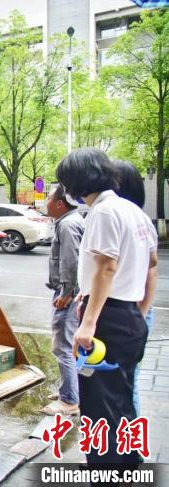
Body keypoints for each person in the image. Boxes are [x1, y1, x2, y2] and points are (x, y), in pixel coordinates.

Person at [56, 148, 157, 473]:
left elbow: (106, 269)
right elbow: (151, 265)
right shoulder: (133, 211)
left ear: (76, 181)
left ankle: (106, 476)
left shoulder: (102, 213)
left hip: (106, 320)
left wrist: (87, 325)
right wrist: (138, 312)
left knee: (99, 406)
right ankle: (128, 468)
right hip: (128, 317)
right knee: (121, 400)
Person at [114, 160, 158, 417]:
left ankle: (131, 448)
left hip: (129, 313)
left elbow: (151, 271)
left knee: (124, 383)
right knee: (126, 381)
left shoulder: (128, 220)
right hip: (133, 312)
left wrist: (140, 314)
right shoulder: (139, 219)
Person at [41, 184, 84, 416]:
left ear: (59, 204)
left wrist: (66, 293)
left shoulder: (68, 224)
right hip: (71, 291)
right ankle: (69, 390)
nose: (45, 203)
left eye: (48, 198)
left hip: (69, 293)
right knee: (68, 345)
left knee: (63, 347)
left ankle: (69, 401)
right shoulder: (70, 220)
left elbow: (71, 261)